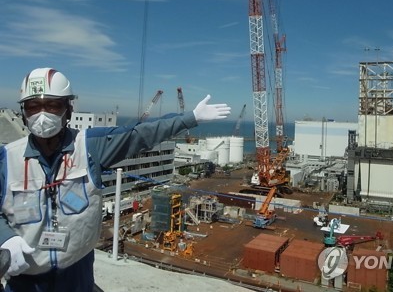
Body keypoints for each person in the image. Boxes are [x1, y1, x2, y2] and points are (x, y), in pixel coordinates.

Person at [0, 68, 231, 291]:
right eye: (34, 106)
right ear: (23, 112)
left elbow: (139, 134)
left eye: (52, 105)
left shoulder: (89, 146)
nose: (43, 115)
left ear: (68, 110)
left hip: (76, 272)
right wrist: (6, 239)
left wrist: (190, 118)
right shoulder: (7, 159)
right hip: (24, 279)